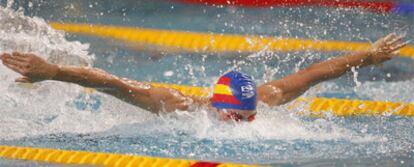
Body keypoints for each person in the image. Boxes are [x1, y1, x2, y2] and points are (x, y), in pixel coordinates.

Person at [0, 33, 408, 122]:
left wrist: (368, 57)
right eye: (239, 117)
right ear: (220, 108)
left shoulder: (266, 98)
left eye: (249, 116)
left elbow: (316, 73)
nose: (246, 123)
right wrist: (54, 71)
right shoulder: (175, 104)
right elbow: (110, 81)